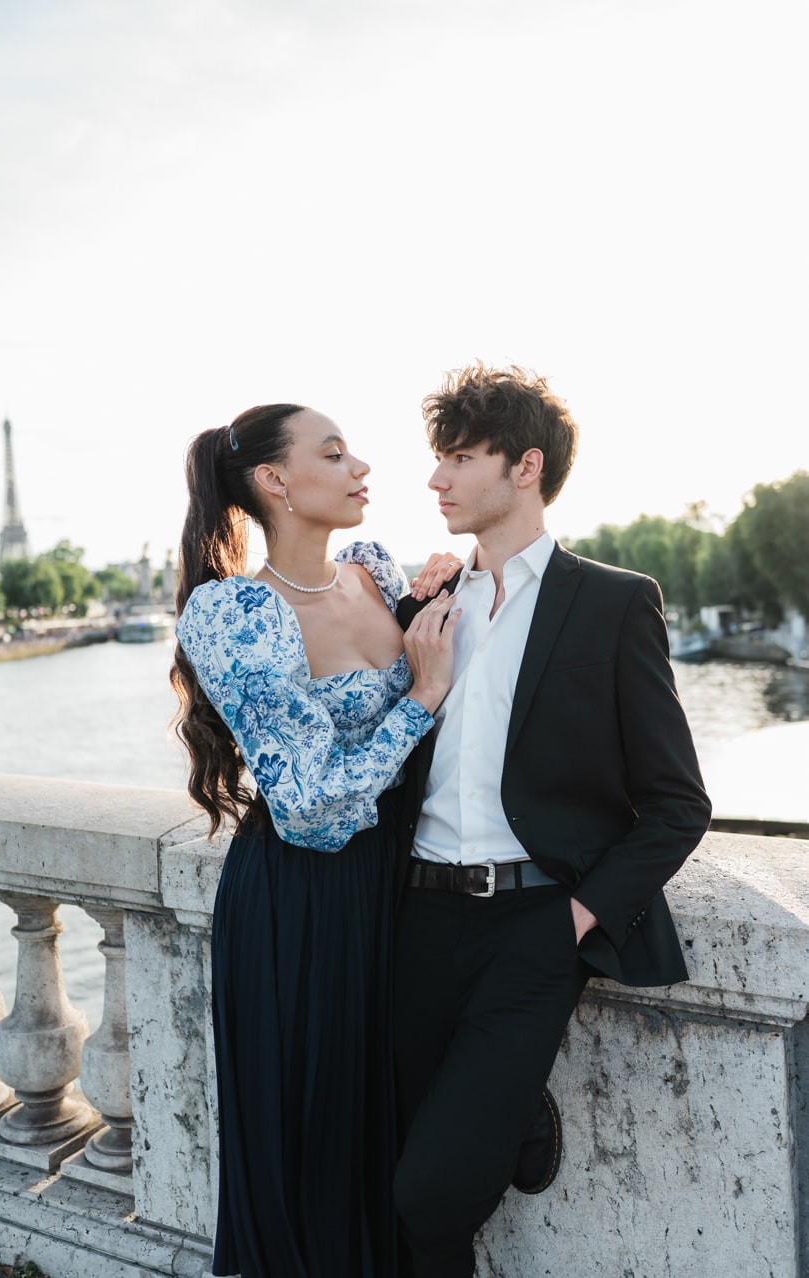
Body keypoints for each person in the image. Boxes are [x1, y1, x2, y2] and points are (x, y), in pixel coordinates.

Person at [392, 364, 712, 1278]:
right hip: (414, 920)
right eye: (437, 458)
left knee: (431, 1193)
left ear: (526, 466)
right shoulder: (428, 603)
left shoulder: (611, 601)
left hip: (533, 929)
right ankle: (514, 1115)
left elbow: (678, 802)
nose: (437, 480)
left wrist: (573, 921)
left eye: (460, 457)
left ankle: (508, 1112)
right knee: (392, 1172)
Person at [171, 403, 460, 1278]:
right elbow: (307, 805)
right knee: (319, 1139)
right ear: (274, 483)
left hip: (398, 885)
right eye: (332, 454)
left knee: (389, 1131)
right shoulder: (231, 615)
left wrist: (438, 598)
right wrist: (419, 700)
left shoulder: (373, 571)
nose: (359, 465)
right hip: (305, 901)